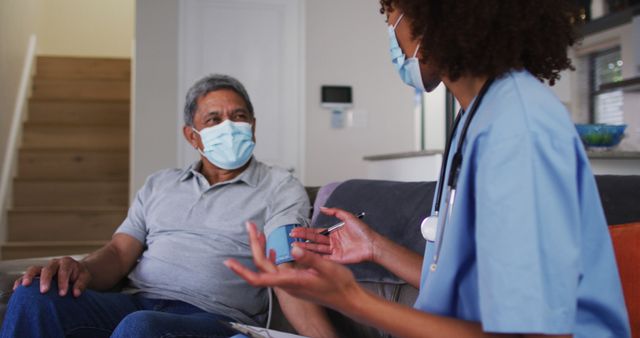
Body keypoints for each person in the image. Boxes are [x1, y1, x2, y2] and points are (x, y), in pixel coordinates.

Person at [225, 1, 632, 337]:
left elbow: (532, 333)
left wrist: (351, 299)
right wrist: (375, 246)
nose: (392, 34)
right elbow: (463, 292)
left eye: (390, 17)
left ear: (433, 13)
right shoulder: (478, 118)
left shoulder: (517, 130)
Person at [1, 74, 336, 338]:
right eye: (214, 120)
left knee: (141, 327)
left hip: (214, 318)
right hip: (134, 301)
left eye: (238, 117)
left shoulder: (279, 185)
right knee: (33, 298)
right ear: (192, 136)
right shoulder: (159, 183)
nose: (229, 127)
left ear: (253, 126)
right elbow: (119, 253)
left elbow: (286, 269)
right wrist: (82, 269)